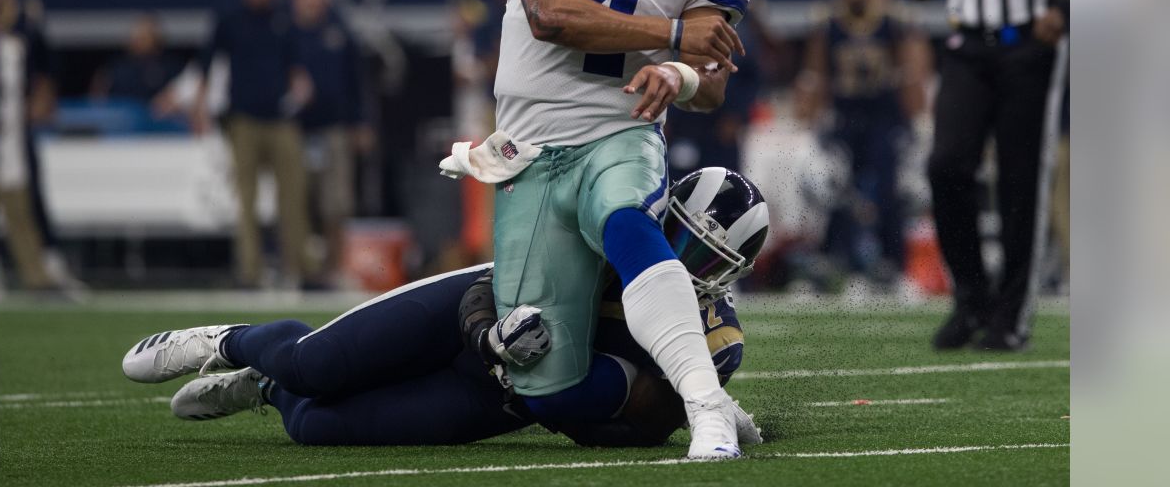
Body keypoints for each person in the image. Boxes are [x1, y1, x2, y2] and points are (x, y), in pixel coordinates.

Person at [473, 0, 758, 460]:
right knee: (544, 386)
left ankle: (706, 407)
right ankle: (682, 403)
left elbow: (711, 79)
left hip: (616, 128)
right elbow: (548, 9)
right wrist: (672, 36)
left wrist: (681, 75)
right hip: (528, 150)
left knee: (623, 215)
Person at [122, 168, 768, 448]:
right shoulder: (607, 231)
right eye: (674, 236)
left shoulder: (713, 340)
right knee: (313, 365)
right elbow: (483, 290)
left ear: (728, 276)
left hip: (504, 397)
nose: (677, 261)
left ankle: (261, 389)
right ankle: (229, 341)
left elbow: (623, 426)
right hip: (469, 321)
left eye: (701, 257)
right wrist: (490, 337)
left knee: (316, 427)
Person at [911, 0, 1069, 351]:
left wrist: (1063, 10)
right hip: (968, 48)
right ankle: (971, 298)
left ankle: (1011, 314)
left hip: (1028, 45)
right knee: (947, 165)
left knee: (1020, 178)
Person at [798, 0, 930, 289]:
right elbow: (816, 74)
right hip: (845, 118)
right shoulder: (828, 21)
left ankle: (892, 266)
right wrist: (809, 124)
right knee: (837, 192)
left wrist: (918, 122)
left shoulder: (893, 21)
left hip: (884, 117)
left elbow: (910, 71)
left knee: (888, 191)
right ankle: (831, 264)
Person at [193, 0, 317, 289]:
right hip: (243, 118)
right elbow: (207, 62)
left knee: (293, 193)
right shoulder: (229, 16)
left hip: (280, 117)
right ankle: (250, 270)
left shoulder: (281, 17)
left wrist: (301, 87)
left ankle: (301, 269)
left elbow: (295, 64)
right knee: (246, 197)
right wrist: (200, 104)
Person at [0, 0, 76, 294]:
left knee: (22, 202)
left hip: (10, 127)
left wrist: (42, 100)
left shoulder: (23, 20)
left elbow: (45, 68)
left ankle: (37, 270)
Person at [289, 0, 370, 283]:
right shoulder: (285, 32)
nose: (311, 0)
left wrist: (360, 122)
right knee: (296, 202)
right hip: (295, 130)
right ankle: (298, 268)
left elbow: (355, 80)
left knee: (336, 204)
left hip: (334, 128)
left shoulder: (339, 31)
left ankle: (334, 268)